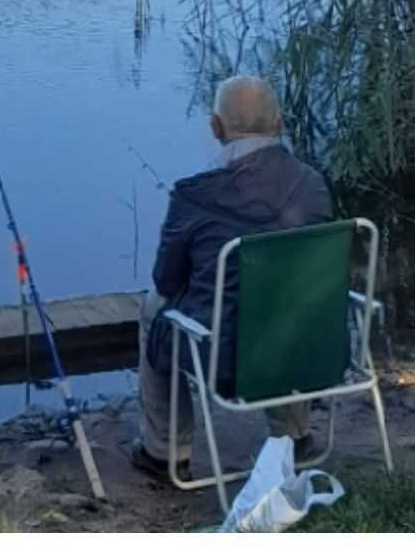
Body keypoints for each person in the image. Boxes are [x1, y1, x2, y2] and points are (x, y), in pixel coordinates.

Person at [133, 76, 333, 482]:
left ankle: (165, 452)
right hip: (307, 344)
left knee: (154, 309)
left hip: (224, 362)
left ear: (215, 128)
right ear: (279, 123)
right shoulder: (313, 185)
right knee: (288, 301)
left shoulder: (194, 195)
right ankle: (292, 436)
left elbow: (167, 281)